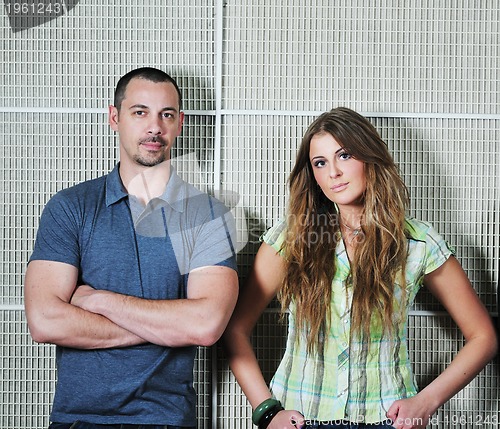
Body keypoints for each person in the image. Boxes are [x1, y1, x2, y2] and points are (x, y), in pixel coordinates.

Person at [222, 107, 497, 429]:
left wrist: (426, 401)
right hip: (300, 418)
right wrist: (267, 412)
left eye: (345, 155)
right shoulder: (290, 240)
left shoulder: (418, 243)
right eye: (320, 163)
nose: (334, 172)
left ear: (370, 158)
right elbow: (235, 328)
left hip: (386, 419)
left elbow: (483, 336)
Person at [24, 67, 239, 428]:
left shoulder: (207, 215)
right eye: (140, 112)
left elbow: (205, 326)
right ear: (114, 118)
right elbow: (45, 321)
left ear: (180, 123)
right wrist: (168, 326)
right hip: (78, 421)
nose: (155, 127)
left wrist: (99, 301)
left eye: (166, 114)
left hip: (167, 420)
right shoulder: (70, 207)